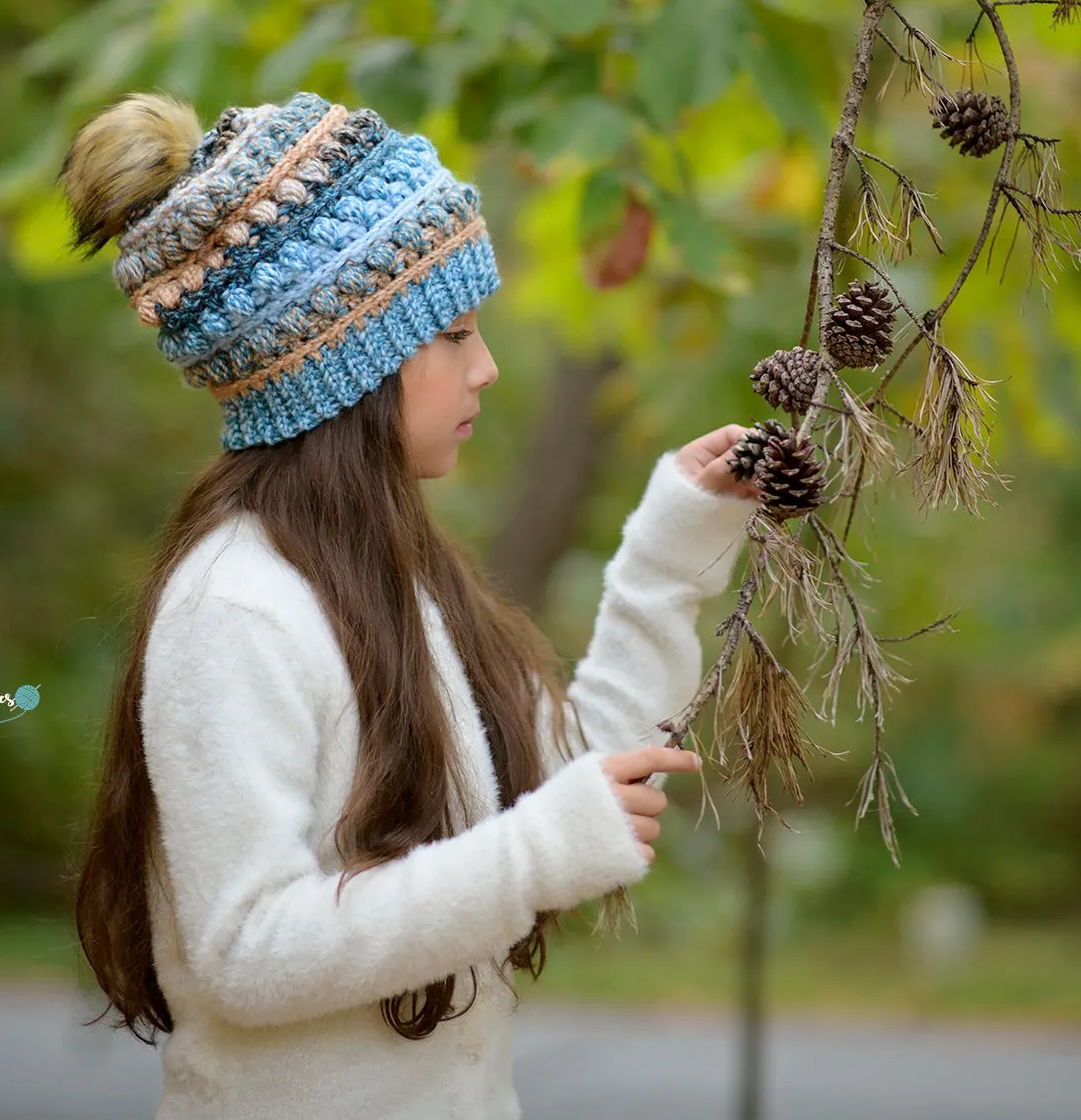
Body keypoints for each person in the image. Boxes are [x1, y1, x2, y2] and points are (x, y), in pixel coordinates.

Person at [62, 90, 760, 1119]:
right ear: (349, 359)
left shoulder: (401, 581)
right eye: (454, 334)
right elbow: (243, 955)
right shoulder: (237, 609)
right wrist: (527, 856)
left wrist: (667, 553)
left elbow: (577, 787)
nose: (482, 368)